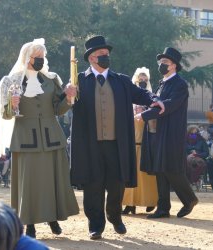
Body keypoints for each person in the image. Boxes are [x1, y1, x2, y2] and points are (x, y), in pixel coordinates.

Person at [70, 35, 164, 240]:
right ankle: (95, 224)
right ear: (92, 58)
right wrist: (66, 95)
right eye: (102, 54)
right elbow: (65, 104)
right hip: (91, 144)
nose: (106, 57)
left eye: (107, 54)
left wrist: (155, 100)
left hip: (117, 143)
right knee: (93, 185)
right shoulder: (78, 82)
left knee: (116, 183)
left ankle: (115, 216)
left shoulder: (120, 80)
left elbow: (143, 95)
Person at [0, 38, 79, 238]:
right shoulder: (11, 81)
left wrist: (68, 97)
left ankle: (53, 218)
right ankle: (29, 224)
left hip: (52, 138)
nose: (40, 60)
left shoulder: (51, 80)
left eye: (42, 56)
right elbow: (5, 115)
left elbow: (58, 109)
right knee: (28, 184)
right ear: (26, 58)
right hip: (25, 139)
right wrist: (12, 104)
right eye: (36, 57)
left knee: (53, 181)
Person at [137, 47, 198, 219]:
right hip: (156, 132)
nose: (161, 65)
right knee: (159, 169)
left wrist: (144, 115)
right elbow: (155, 103)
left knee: (172, 169)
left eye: (165, 62)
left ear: (174, 66)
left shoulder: (179, 84)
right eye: (161, 62)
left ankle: (190, 199)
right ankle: (163, 208)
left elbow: (168, 106)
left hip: (170, 134)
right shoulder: (162, 83)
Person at [122, 67, 158, 215]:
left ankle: (150, 201)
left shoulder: (151, 99)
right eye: (140, 80)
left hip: (146, 142)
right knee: (131, 174)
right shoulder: (127, 99)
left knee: (146, 175)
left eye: (145, 80)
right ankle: (130, 204)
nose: (142, 82)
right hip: (131, 141)